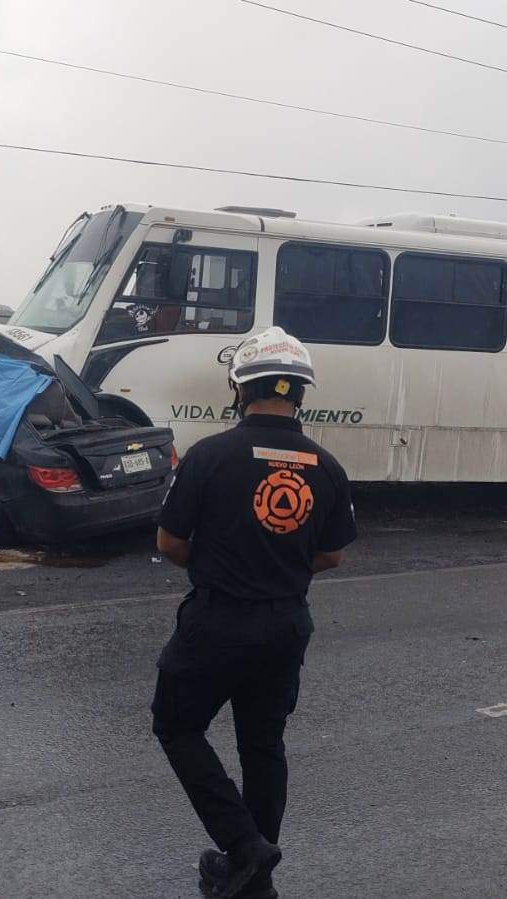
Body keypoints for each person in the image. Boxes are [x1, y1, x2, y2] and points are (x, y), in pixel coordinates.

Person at [152, 326, 357, 898]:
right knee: (263, 746)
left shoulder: (209, 456)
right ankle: (253, 874)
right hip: (285, 623)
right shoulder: (327, 467)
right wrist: (279, 567)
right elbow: (332, 554)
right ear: (300, 395)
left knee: (176, 724)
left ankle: (244, 848)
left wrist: (220, 562)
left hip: (217, 622)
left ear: (239, 388)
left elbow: (169, 543)